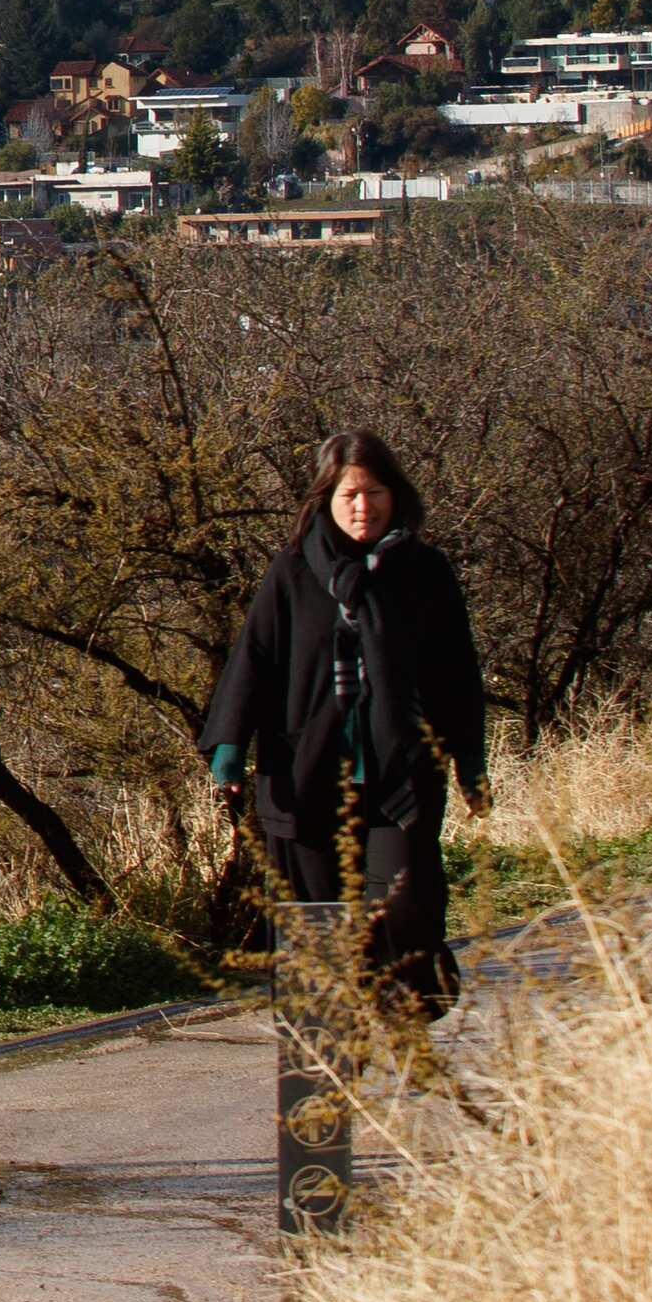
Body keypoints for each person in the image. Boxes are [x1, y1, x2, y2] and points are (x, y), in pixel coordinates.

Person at [201, 428, 491, 1013]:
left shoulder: (425, 572)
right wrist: (228, 747)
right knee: (319, 935)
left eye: (375, 492)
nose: (363, 507)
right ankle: (326, 1080)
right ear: (325, 500)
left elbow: (456, 673)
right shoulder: (292, 571)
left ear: (396, 496)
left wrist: (471, 764)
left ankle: (399, 1003)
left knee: (406, 911)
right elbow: (253, 659)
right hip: (305, 775)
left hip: (400, 775)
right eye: (349, 495)